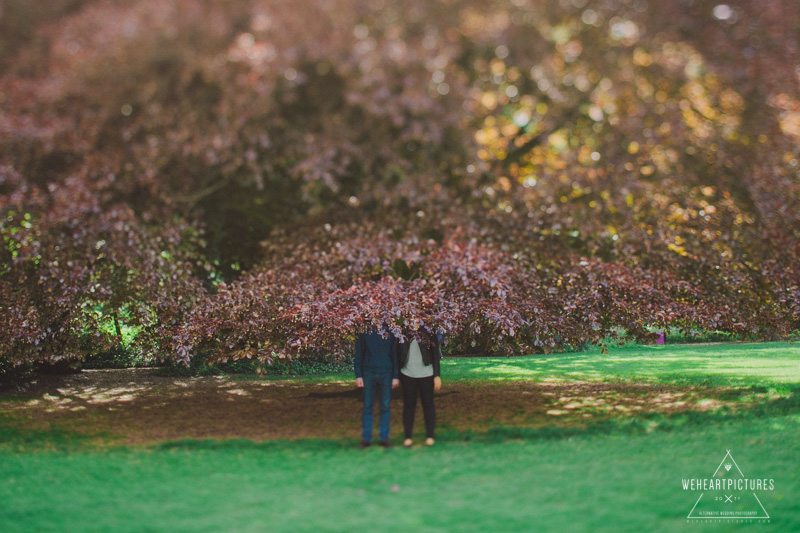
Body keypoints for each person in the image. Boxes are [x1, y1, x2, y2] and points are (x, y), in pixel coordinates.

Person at [354, 327, 399, 448]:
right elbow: (359, 353)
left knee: (385, 407)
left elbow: (394, 354)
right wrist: (358, 375)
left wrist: (395, 376)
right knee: (368, 407)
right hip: (368, 373)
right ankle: (366, 439)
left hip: (386, 373)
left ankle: (384, 438)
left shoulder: (390, 331)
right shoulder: (365, 331)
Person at [396, 329, 442, 447]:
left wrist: (437, 375)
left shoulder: (428, 331)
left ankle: (430, 436)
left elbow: (435, 353)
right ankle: (408, 437)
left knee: (428, 405)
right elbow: (397, 353)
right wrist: (396, 375)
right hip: (407, 374)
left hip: (426, 374)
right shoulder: (402, 330)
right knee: (408, 406)